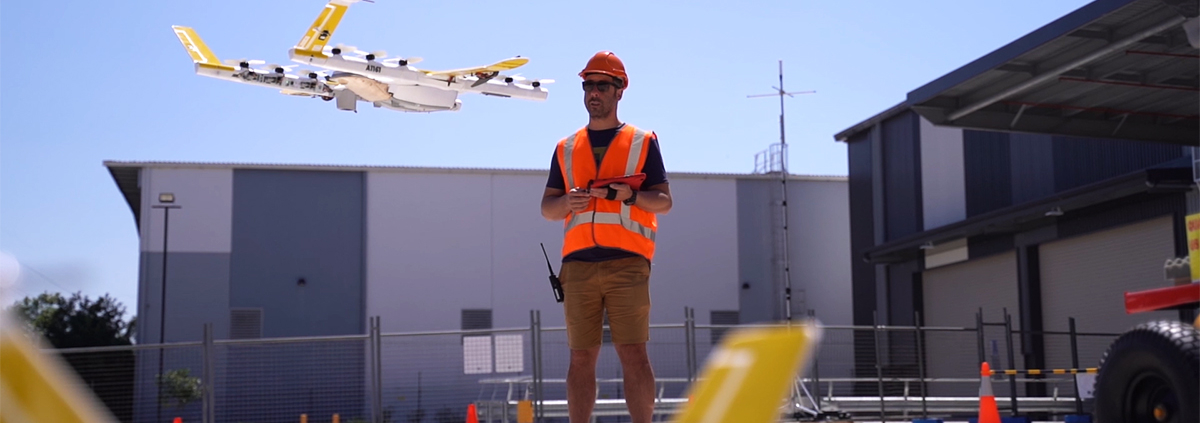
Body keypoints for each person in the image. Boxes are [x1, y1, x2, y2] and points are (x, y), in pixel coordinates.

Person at [540, 51, 673, 423]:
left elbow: (663, 201)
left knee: (634, 354)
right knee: (581, 357)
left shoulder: (642, 141)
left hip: (628, 264)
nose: (593, 92)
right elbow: (548, 209)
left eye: (602, 85)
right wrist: (568, 201)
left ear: (620, 91)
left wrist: (628, 195)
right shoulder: (565, 148)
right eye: (588, 85)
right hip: (578, 267)